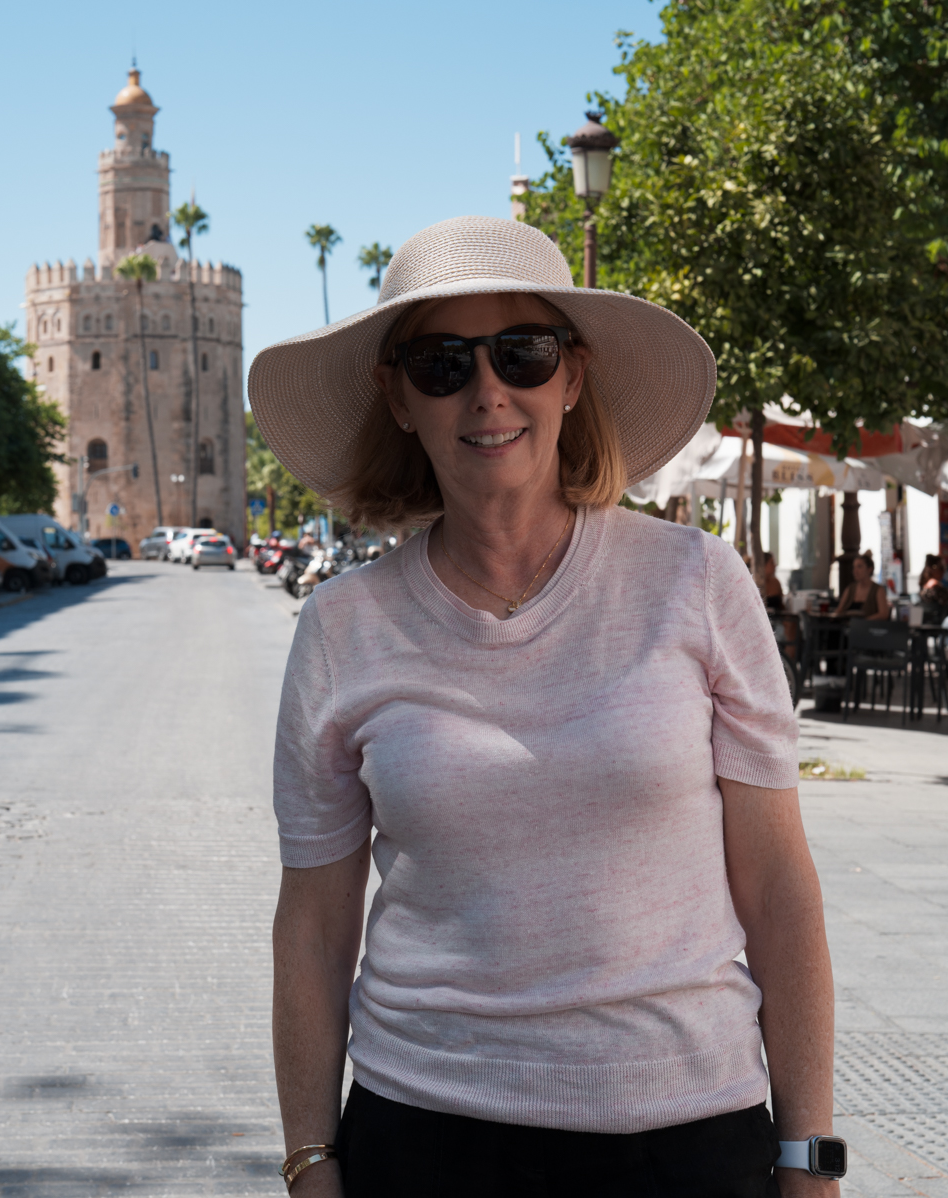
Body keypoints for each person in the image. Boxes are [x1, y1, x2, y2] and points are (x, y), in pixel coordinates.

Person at [253, 217, 837, 1197]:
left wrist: (811, 1156)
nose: (489, 392)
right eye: (443, 364)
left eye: (522, 354)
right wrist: (310, 1161)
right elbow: (313, 924)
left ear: (572, 376)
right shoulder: (342, 626)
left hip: (689, 1141)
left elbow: (778, 886)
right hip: (424, 1142)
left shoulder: (695, 581)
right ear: (397, 396)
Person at [834, 552, 891, 620]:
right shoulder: (850, 588)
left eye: (859, 567)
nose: (855, 571)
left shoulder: (878, 590)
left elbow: (884, 614)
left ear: (869, 569)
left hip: (867, 628)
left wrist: (863, 622)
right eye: (854, 567)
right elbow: (839, 610)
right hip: (846, 627)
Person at [918, 554, 948, 622]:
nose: (944, 571)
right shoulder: (936, 587)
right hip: (943, 623)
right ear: (932, 569)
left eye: (945, 567)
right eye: (941, 568)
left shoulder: (925, 586)